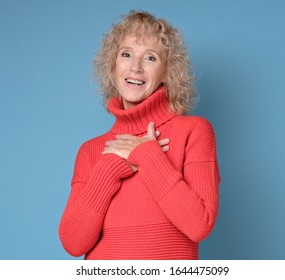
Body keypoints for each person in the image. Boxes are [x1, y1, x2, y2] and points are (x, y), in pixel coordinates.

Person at [59, 10, 220, 260]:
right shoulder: (90, 150)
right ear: (113, 66)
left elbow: (199, 224)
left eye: (150, 58)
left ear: (167, 71)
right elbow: (73, 243)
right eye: (126, 55)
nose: (135, 67)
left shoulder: (194, 131)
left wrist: (147, 155)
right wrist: (110, 168)